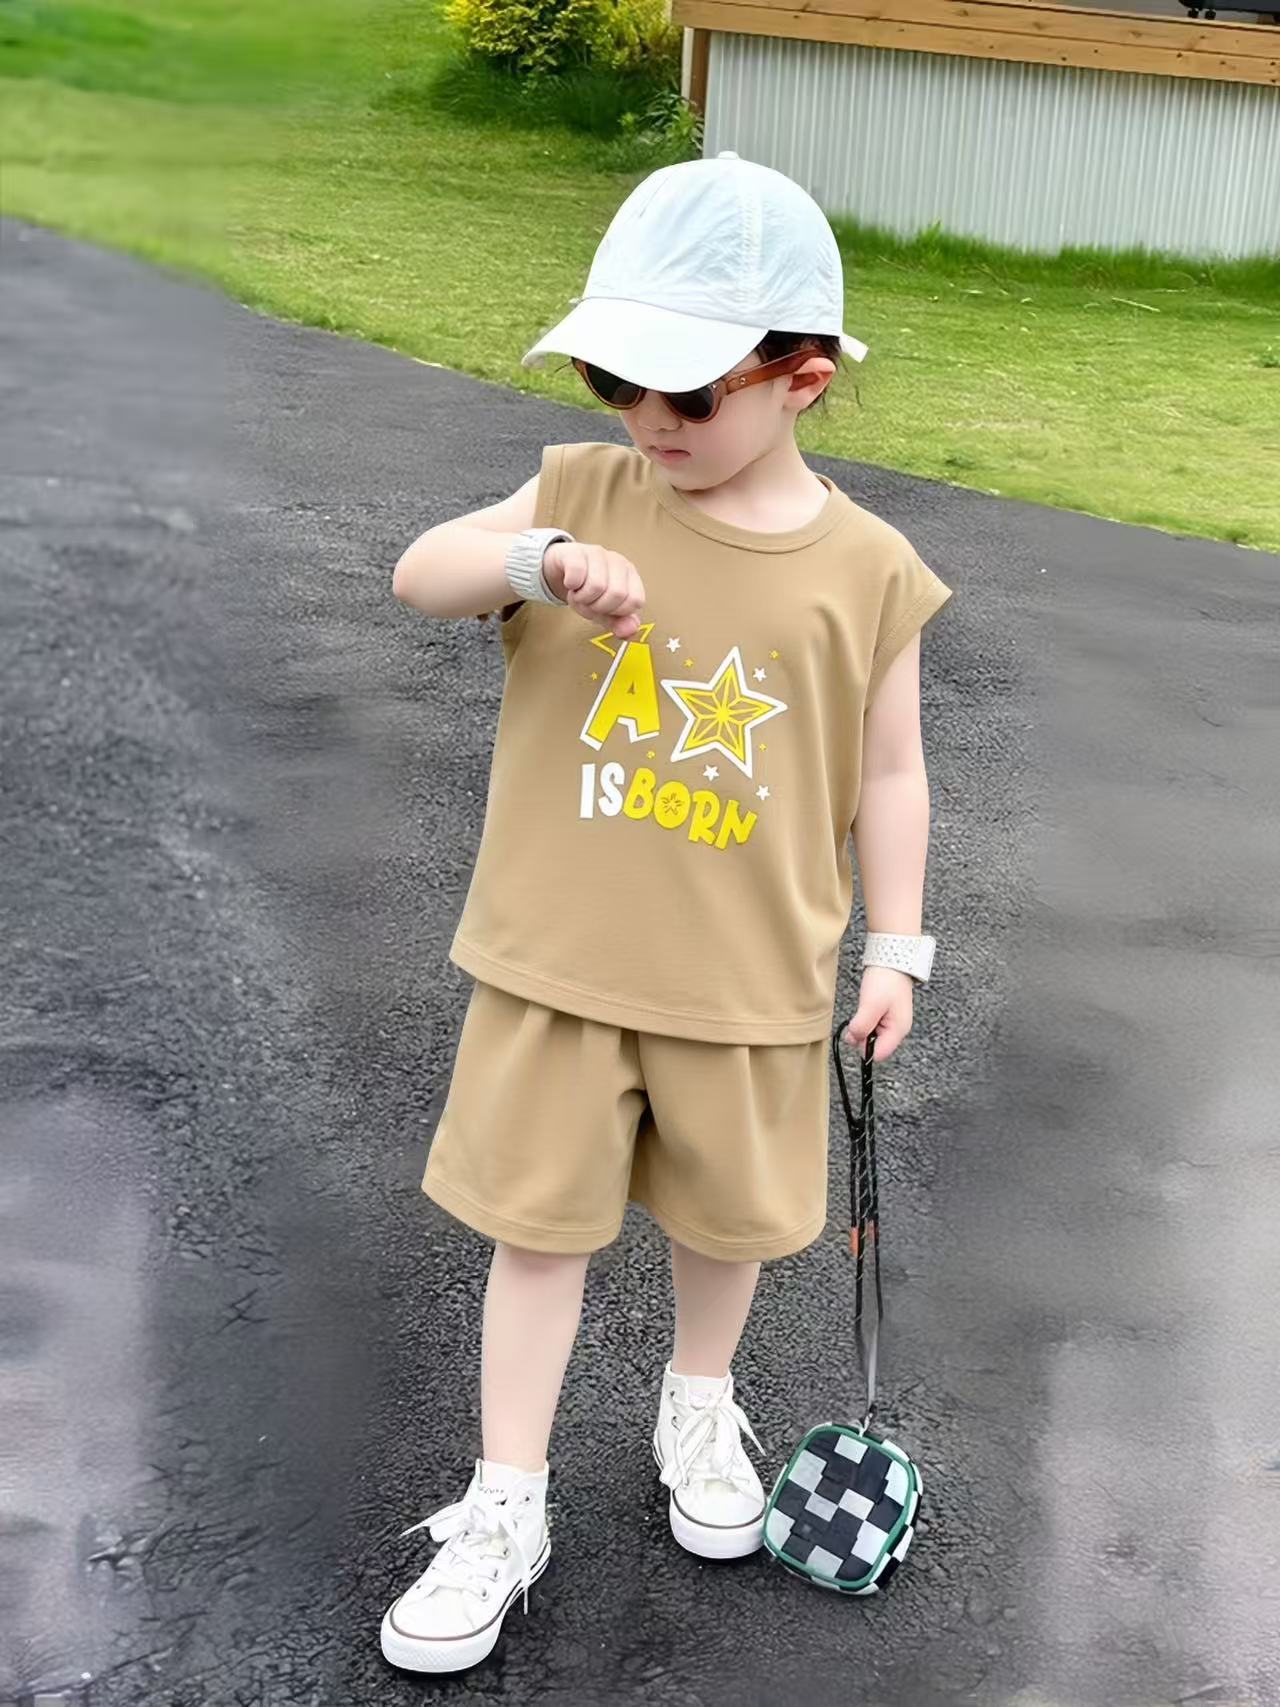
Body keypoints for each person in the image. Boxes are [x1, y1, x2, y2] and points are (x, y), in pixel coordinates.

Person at [380, 150, 953, 1675]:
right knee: (535, 1235)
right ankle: (505, 1499)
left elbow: (890, 770)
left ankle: (700, 1402)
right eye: (614, 380)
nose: (647, 419)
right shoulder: (580, 494)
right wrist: (537, 562)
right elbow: (421, 574)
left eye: (687, 394)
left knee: (727, 1223)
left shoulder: (872, 570)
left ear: (803, 380)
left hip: (749, 977)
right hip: (555, 966)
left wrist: (899, 946)